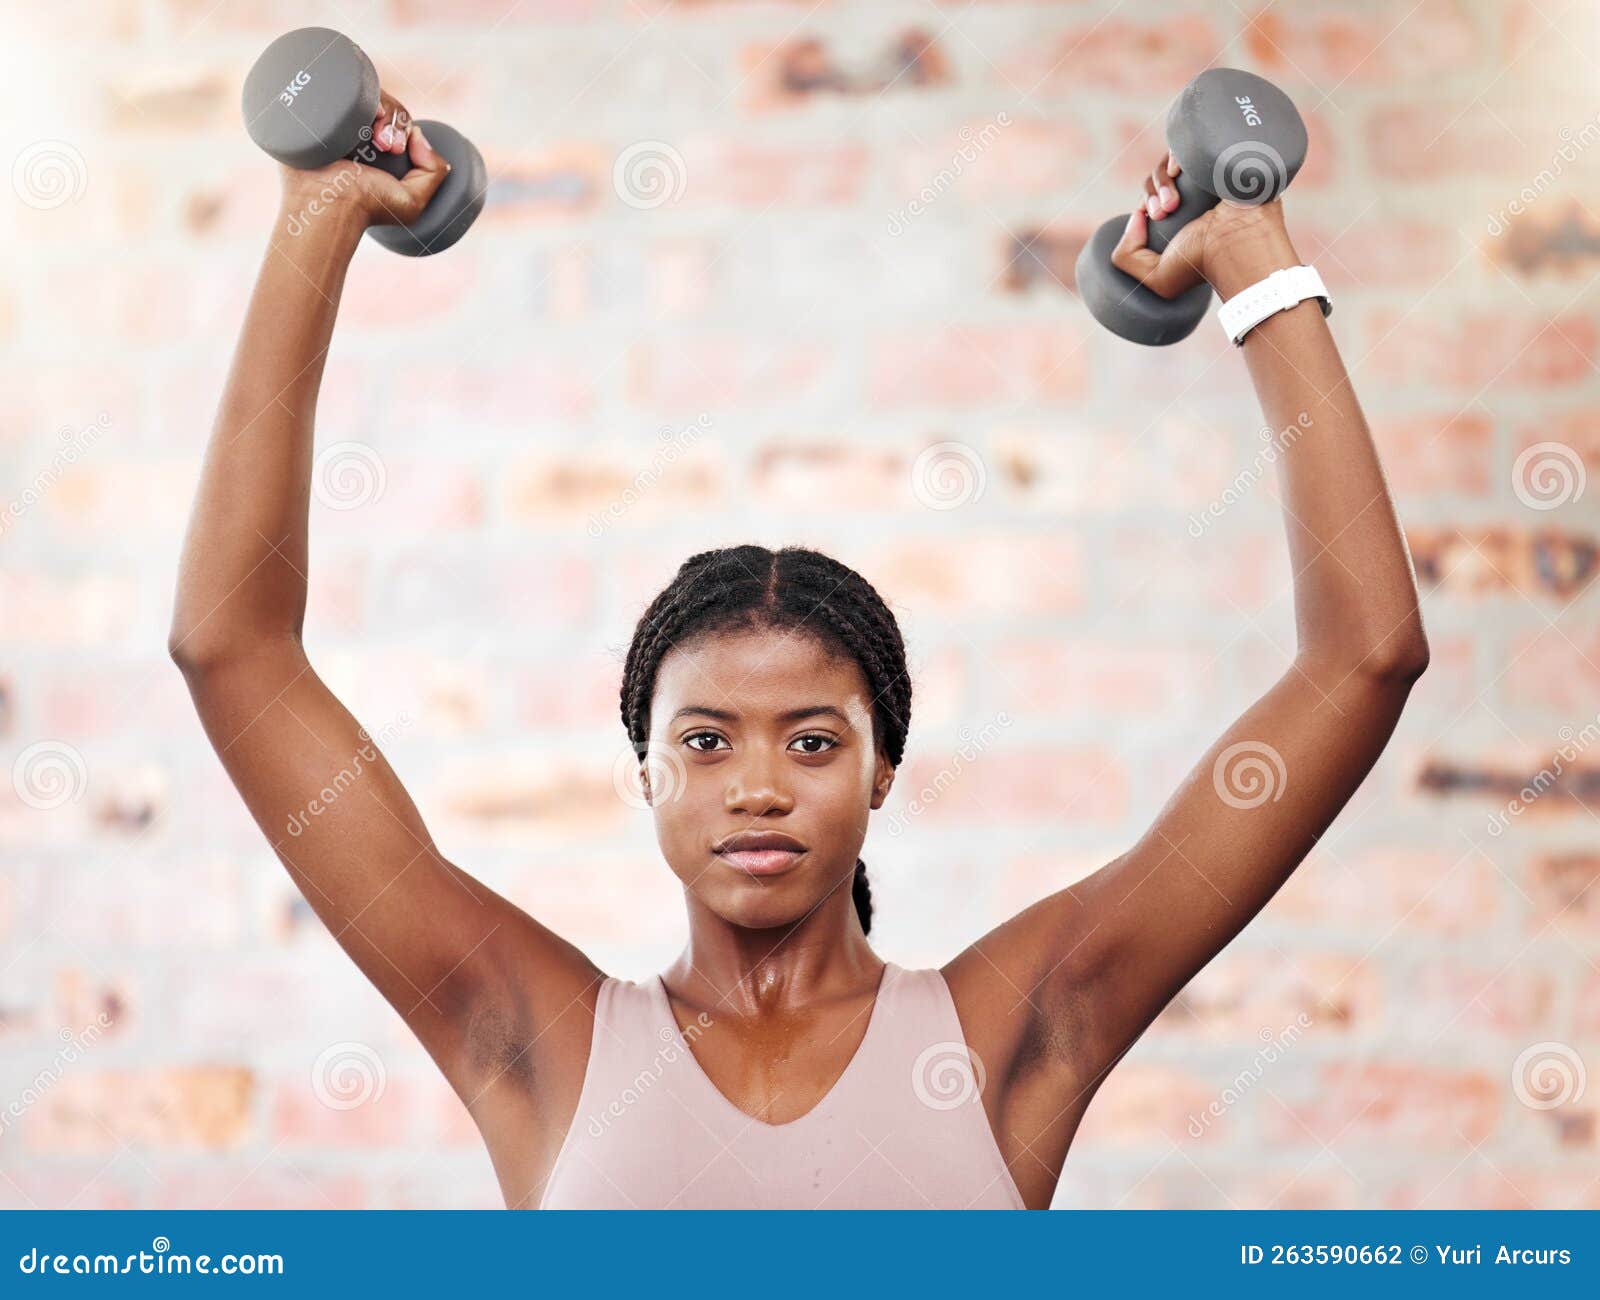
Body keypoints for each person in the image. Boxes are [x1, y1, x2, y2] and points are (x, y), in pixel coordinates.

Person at [169, 99, 1428, 1211]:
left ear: (883, 770)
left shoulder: (1017, 1030)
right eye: (704, 740)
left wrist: (1252, 256)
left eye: (813, 741)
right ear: (644, 769)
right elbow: (231, 650)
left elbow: (1361, 664)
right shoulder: (532, 1036)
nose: (757, 786)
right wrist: (320, 212)